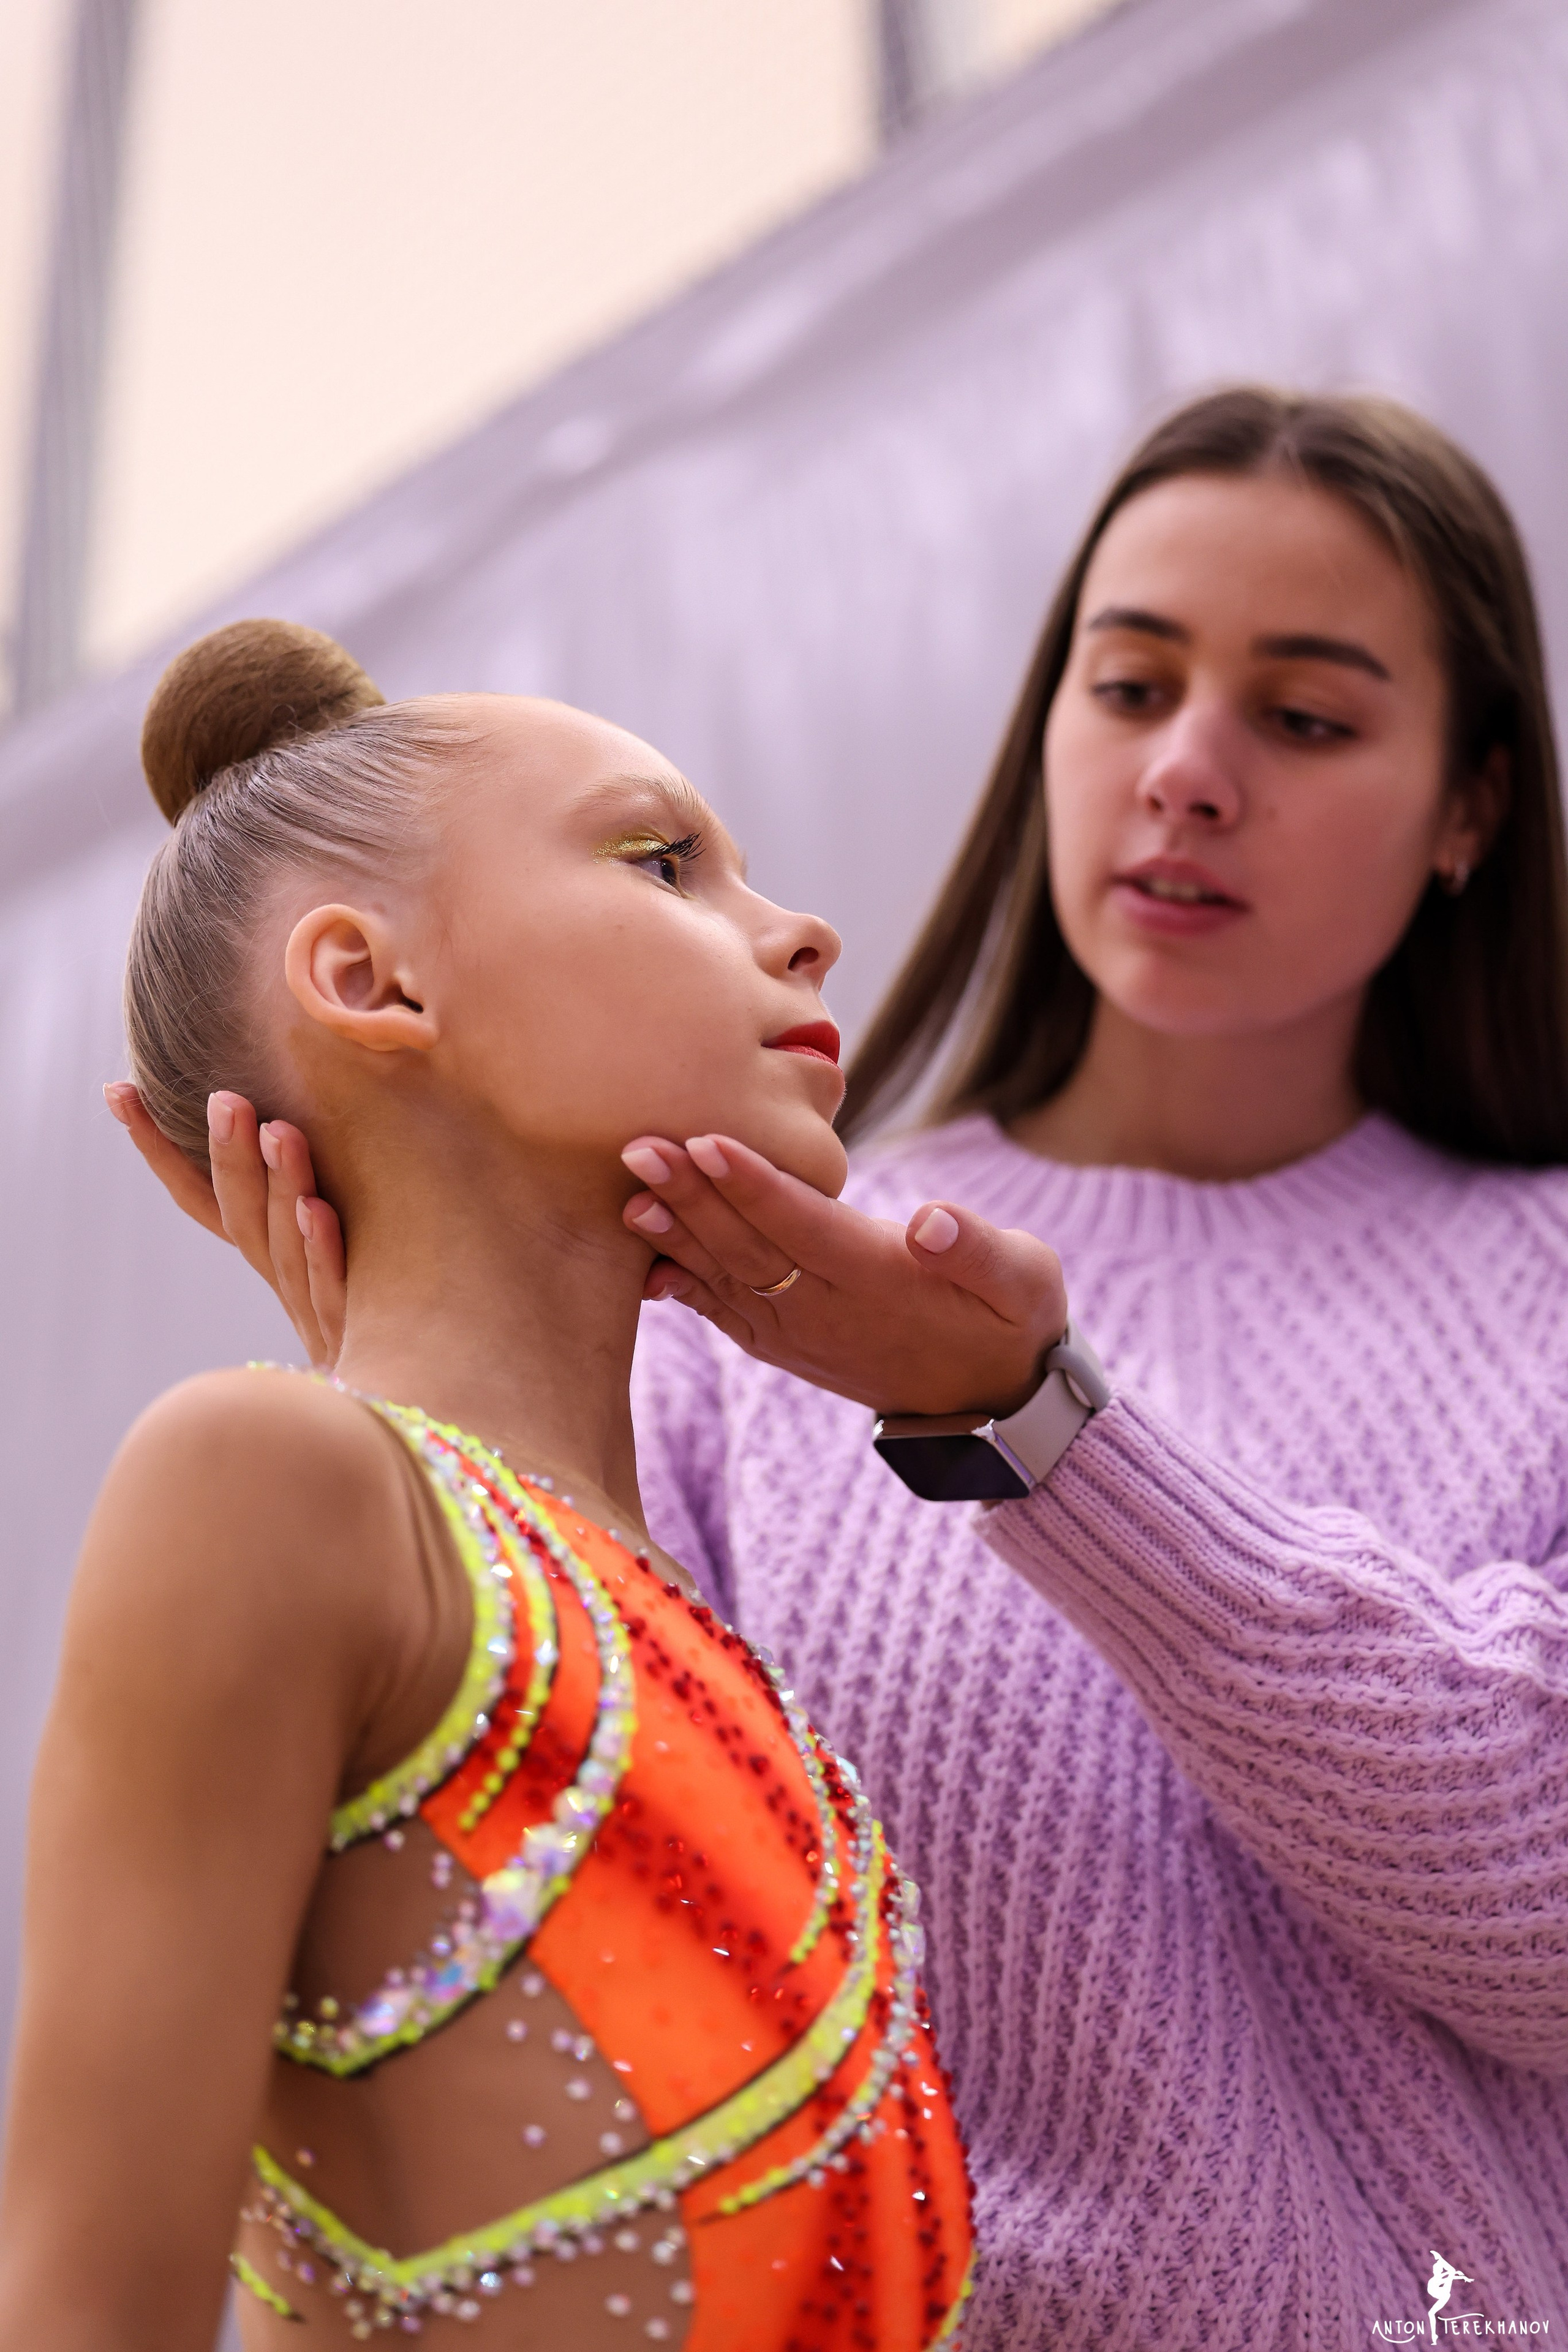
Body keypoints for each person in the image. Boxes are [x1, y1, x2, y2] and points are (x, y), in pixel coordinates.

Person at [114, 390, 1568, 2348]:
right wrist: (418, 1420)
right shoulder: (743, 1281)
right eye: (1128, 686)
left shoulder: (1536, 1288)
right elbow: (604, 1976)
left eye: (1305, 718)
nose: (1190, 773)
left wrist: (1051, 1440)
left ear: (1473, 804)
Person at [0, 622, 981, 2351]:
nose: (802, 928)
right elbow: (83, 2310)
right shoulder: (272, 1484)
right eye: (663, 860)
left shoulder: (700, 1634)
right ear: (372, 984)